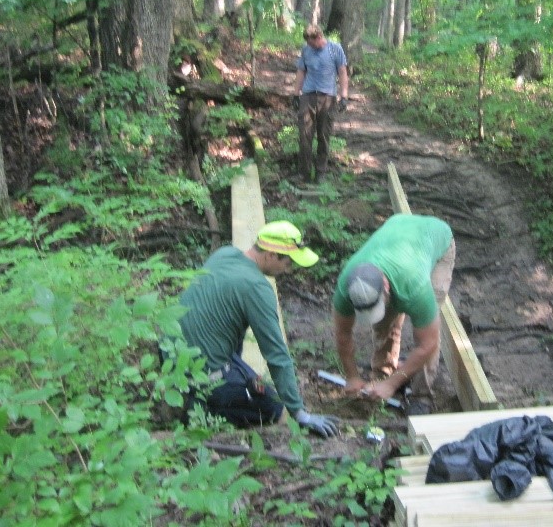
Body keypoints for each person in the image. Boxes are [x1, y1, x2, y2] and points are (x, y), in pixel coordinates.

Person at [175, 221, 339, 437]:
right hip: (200, 373)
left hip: (173, 354)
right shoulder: (256, 287)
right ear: (271, 254)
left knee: (257, 384)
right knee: (279, 411)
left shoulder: (224, 254)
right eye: (289, 263)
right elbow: (277, 355)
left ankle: (200, 390)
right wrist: (299, 413)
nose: (290, 270)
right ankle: (197, 408)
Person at [332, 214, 456, 414]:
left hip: (437, 239)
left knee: (427, 331)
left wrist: (392, 385)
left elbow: (428, 343)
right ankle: (383, 374)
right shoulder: (347, 286)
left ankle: (421, 396)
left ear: (386, 287)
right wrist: (352, 376)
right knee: (384, 321)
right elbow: (342, 333)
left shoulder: (415, 286)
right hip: (398, 228)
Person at [294, 23, 349, 183]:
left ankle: (321, 173)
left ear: (319, 37)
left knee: (324, 136)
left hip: (328, 98)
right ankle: (303, 173)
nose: (310, 46)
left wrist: (343, 96)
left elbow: (343, 73)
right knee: (305, 135)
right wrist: (295, 94)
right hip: (308, 96)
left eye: (312, 43)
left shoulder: (335, 49)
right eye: (308, 44)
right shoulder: (306, 51)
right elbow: (301, 72)